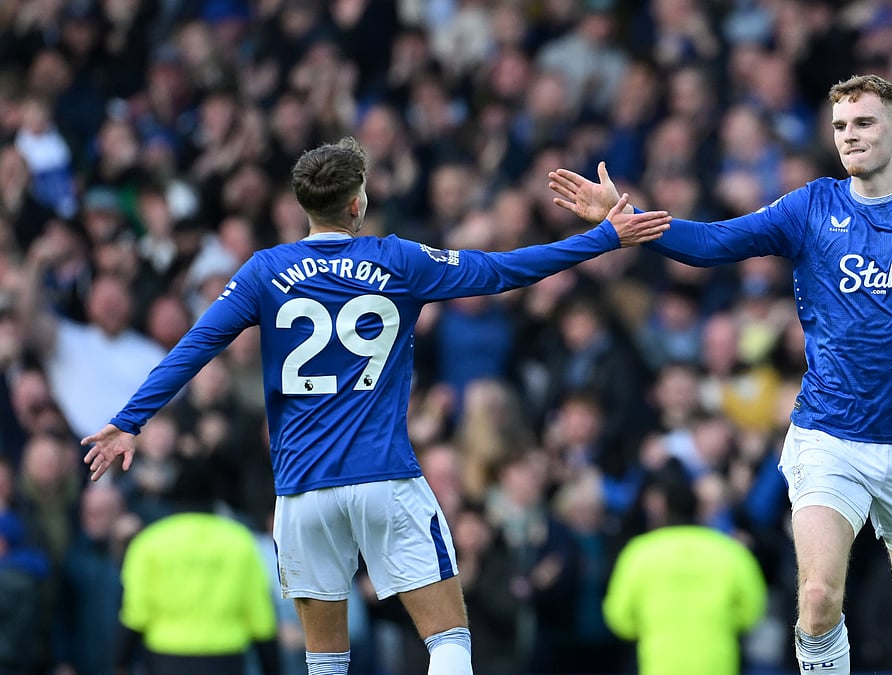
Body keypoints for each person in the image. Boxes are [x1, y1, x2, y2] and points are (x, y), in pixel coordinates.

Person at [80, 136, 671, 675]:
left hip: (301, 492)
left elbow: (198, 344)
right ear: (358, 203)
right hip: (384, 478)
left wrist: (128, 422)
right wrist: (603, 237)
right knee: (448, 640)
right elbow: (501, 271)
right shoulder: (398, 260)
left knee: (325, 659)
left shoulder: (265, 271)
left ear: (303, 205)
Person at [549, 74, 892, 675]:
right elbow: (713, 243)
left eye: (865, 123)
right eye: (841, 127)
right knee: (819, 599)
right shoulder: (810, 207)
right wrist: (627, 220)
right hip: (828, 434)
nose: (850, 137)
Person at [115, 457, 281, 675]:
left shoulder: (150, 543)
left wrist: (120, 662)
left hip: (167, 659)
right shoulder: (240, 542)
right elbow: (259, 615)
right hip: (225, 659)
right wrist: (273, 666)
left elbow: (136, 613)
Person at [602, 460, 767, 675]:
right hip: (718, 665)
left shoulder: (640, 552)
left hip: (658, 665)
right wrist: (723, 622)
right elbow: (753, 610)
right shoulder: (729, 551)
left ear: (663, 509)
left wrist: (650, 625)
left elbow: (619, 617)